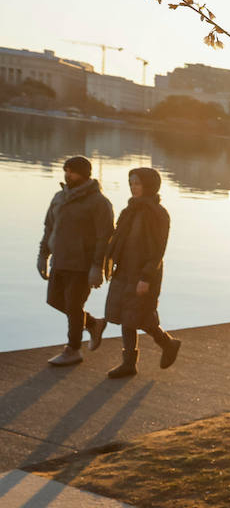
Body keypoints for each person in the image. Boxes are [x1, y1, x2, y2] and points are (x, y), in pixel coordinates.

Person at [104, 167, 181, 379]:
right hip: (124, 271)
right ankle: (130, 363)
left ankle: (167, 343)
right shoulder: (130, 210)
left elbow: (158, 249)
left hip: (144, 274)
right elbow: (118, 239)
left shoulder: (158, 214)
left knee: (141, 317)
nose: (133, 187)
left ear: (149, 185)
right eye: (131, 183)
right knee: (126, 317)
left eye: (137, 183)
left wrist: (146, 277)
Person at [37, 156, 112, 366]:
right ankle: (93, 324)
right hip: (59, 261)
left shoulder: (99, 202)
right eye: (66, 170)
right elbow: (49, 228)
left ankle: (73, 349)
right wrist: (43, 255)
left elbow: (104, 237)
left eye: (72, 171)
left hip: (82, 265)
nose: (67, 175)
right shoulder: (59, 197)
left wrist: (98, 267)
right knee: (54, 300)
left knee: (73, 304)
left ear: (85, 174)